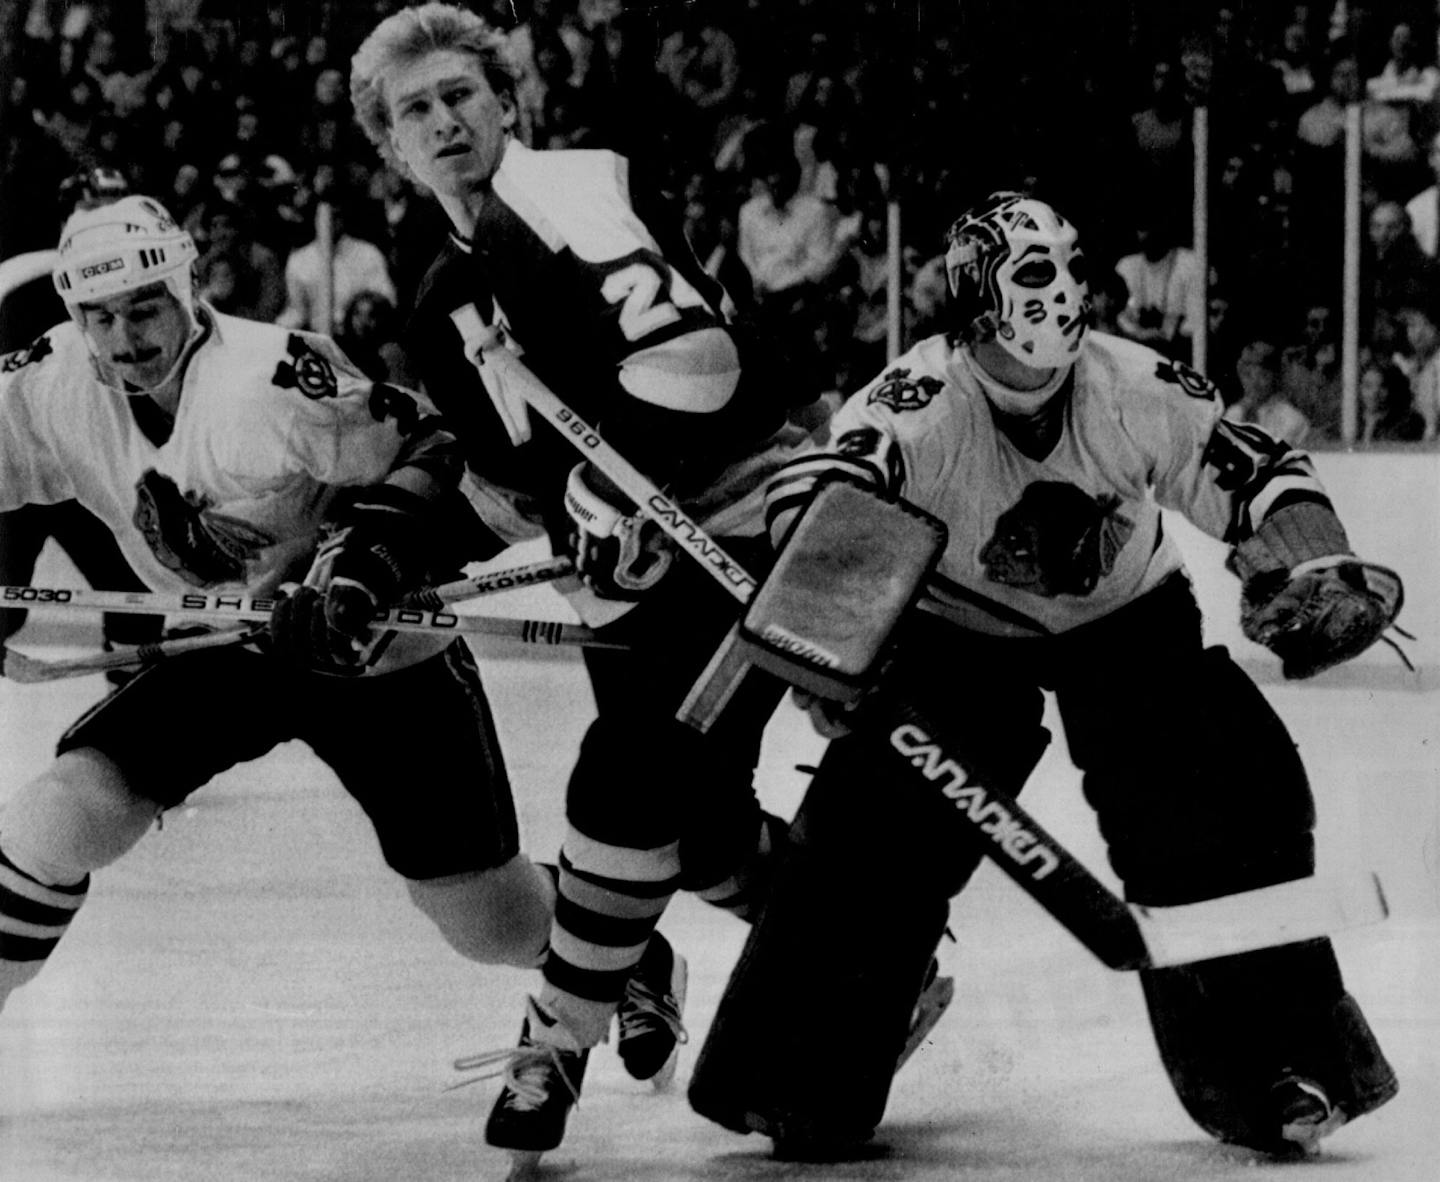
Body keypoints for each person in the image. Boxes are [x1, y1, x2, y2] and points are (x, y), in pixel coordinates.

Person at [761, 191, 1399, 1158]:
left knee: (1221, 799)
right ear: (980, 292)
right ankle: (815, 1061)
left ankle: (1277, 1056)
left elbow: (1252, 467)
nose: (1063, 291)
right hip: (957, 631)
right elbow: (820, 494)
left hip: (1126, 617)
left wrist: (1301, 548)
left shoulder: (1131, 382)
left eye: (1070, 262)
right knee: (877, 825)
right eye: (1032, 272)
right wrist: (827, 633)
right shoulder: (921, 401)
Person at [347, 4, 807, 1170]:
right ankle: (865, 939)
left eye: (461, 94)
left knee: (629, 777)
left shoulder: (556, 196)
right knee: (698, 832)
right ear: (389, 145)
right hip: (642, 578)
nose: (444, 120)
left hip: (745, 531)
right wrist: (381, 557)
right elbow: (506, 490)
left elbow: (701, 365)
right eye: (416, 109)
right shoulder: (443, 286)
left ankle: (553, 1046)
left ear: (509, 104)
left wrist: (611, 491)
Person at [0, 194, 562, 1076]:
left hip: (373, 653)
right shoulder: (52, 379)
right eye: (98, 316)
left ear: (189, 292)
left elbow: (434, 446)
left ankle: (620, 957)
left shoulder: (273, 377)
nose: (124, 337)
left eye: (145, 306)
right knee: (53, 820)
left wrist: (345, 556)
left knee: (484, 921)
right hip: (219, 649)